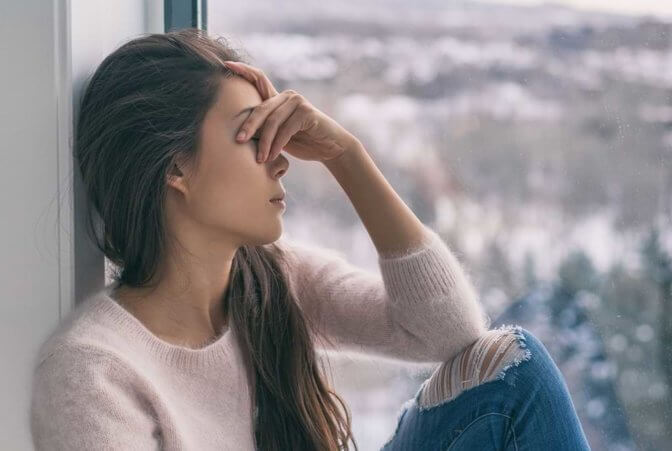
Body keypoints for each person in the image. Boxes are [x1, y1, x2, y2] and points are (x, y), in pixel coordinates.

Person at [29, 28, 590, 450]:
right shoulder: (92, 372)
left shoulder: (273, 279)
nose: (280, 161)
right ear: (177, 167)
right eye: (253, 134)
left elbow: (450, 334)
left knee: (517, 367)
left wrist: (347, 155)